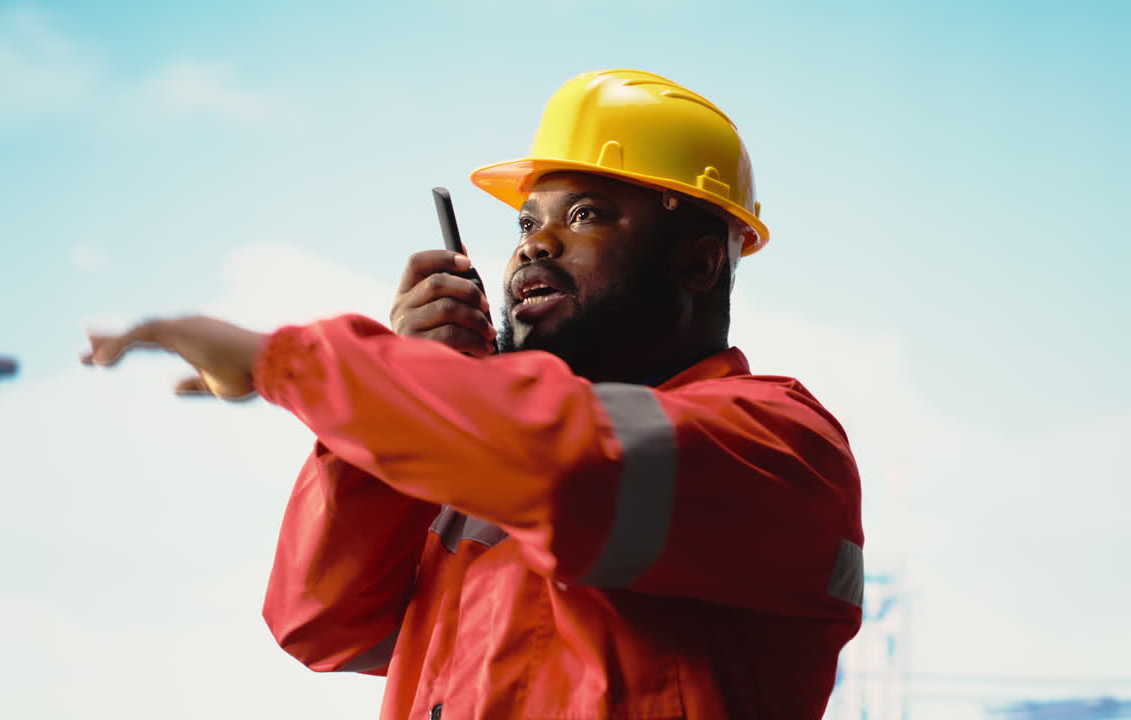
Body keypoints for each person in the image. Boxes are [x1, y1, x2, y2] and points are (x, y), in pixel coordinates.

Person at [83, 69, 863, 720]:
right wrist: (407, 400)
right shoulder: (483, 462)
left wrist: (284, 362)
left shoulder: (778, 444)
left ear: (698, 264)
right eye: (527, 221)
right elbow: (323, 624)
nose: (534, 242)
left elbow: (569, 466)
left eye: (587, 214)